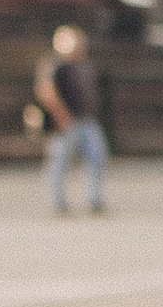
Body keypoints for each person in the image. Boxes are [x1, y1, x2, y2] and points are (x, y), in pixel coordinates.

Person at [33, 27, 107, 213]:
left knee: (97, 157)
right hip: (65, 123)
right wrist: (62, 115)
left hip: (86, 120)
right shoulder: (55, 65)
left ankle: (94, 199)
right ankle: (58, 202)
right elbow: (46, 91)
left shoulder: (83, 65)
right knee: (59, 162)